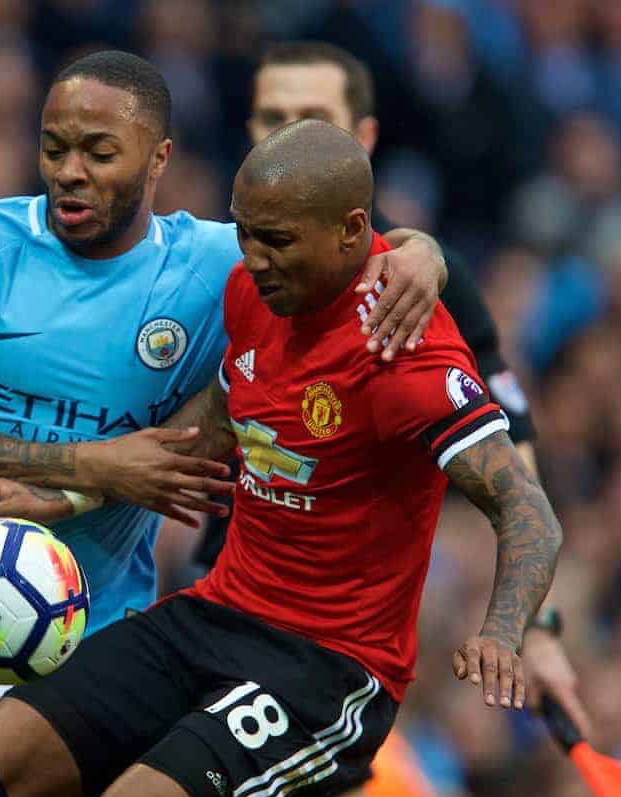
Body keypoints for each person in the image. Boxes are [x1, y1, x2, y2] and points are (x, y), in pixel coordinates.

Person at [0, 120, 564, 797]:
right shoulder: (252, 295)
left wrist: (504, 630)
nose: (255, 258)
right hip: (213, 616)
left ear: (351, 232)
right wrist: (69, 497)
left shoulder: (402, 350)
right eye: (245, 233)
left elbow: (526, 508)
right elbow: (208, 432)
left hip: (323, 672)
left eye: (277, 241)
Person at [0, 49, 449, 753]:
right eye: (54, 147)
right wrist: (98, 464)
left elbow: (352, 250)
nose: (71, 171)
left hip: (113, 626)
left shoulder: (213, 266)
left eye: (99, 152)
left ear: (158, 159)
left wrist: (423, 252)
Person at [241, 42, 591, 749]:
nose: (286, 134)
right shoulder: (208, 255)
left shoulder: (416, 282)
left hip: (328, 645)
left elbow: (510, 453)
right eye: (270, 116)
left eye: (311, 116)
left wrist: (541, 629)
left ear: (362, 141)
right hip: (214, 587)